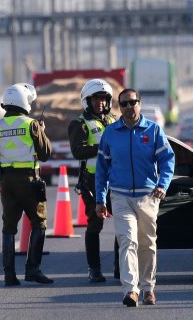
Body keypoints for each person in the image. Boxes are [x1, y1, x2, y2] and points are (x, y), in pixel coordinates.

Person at [95, 89, 174, 307]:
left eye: (133, 102)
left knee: (147, 243)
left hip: (148, 196)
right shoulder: (110, 133)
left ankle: (148, 288)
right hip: (120, 196)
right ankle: (131, 290)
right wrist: (100, 200)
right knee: (127, 241)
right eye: (124, 104)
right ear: (119, 107)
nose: (129, 107)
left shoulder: (154, 129)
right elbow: (102, 169)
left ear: (140, 104)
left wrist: (163, 185)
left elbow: (168, 160)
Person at [0, 83, 55, 286]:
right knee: (39, 224)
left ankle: (9, 275)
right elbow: (45, 154)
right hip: (29, 180)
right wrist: (42, 132)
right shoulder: (31, 124)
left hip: (6, 181)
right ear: (25, 102)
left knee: (8, 228)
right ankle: (32, 269)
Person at [68, 78, 118, 283]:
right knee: (95, 225)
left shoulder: (115, 121)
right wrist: (103, 148)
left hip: (117, 179)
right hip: (93, 181)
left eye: (103, 99)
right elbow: (77, 151)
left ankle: (121, 267)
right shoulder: (79, 124)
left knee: (123, 223)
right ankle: (94, 269)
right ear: (87, 101)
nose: (100, 103)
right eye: (96, 99)